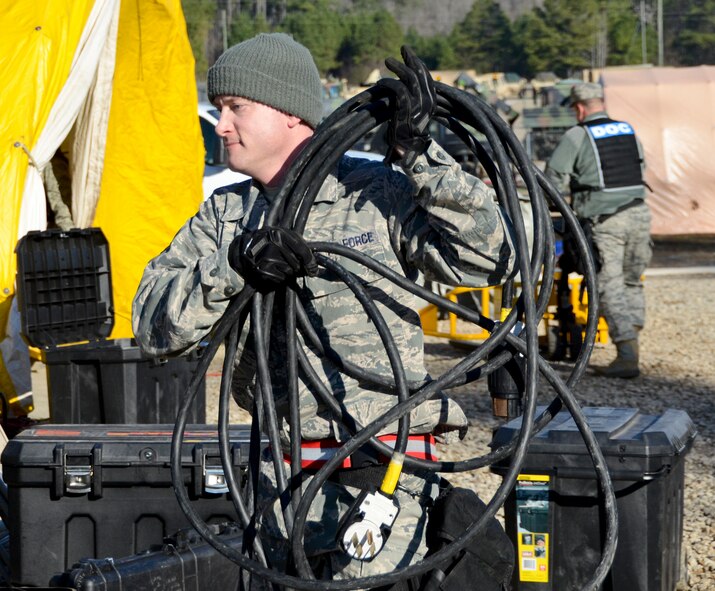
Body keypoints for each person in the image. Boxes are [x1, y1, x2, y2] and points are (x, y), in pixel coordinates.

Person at [132, 33, 515, 586]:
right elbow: (152, 326)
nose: (221, 125)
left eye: (235, 107)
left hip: (380, 474)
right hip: (278, 485)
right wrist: (236, 263)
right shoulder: (225, 218)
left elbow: (488, 259)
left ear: (289, 112)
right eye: (219, 110)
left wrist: (421, 154)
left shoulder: (373, 193)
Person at [545, 82, 651, 379]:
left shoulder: (577, 135)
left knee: (608, 283)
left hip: (607, 221)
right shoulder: (627, 130)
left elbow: (553, 181)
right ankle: (632, 336)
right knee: (632, 279)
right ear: (600, 103)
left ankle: (627, 353)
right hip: (640, 213)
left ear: (579, 108)